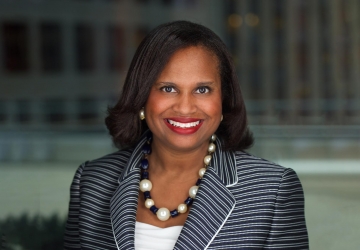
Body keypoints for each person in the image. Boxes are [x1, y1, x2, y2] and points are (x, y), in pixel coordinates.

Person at [64, 20, 308, 250]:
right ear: (142, 96)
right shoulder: (92, 181)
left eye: (202, 89)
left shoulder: (272, 190)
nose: (184, 107)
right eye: (168, 88)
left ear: (223, 98)